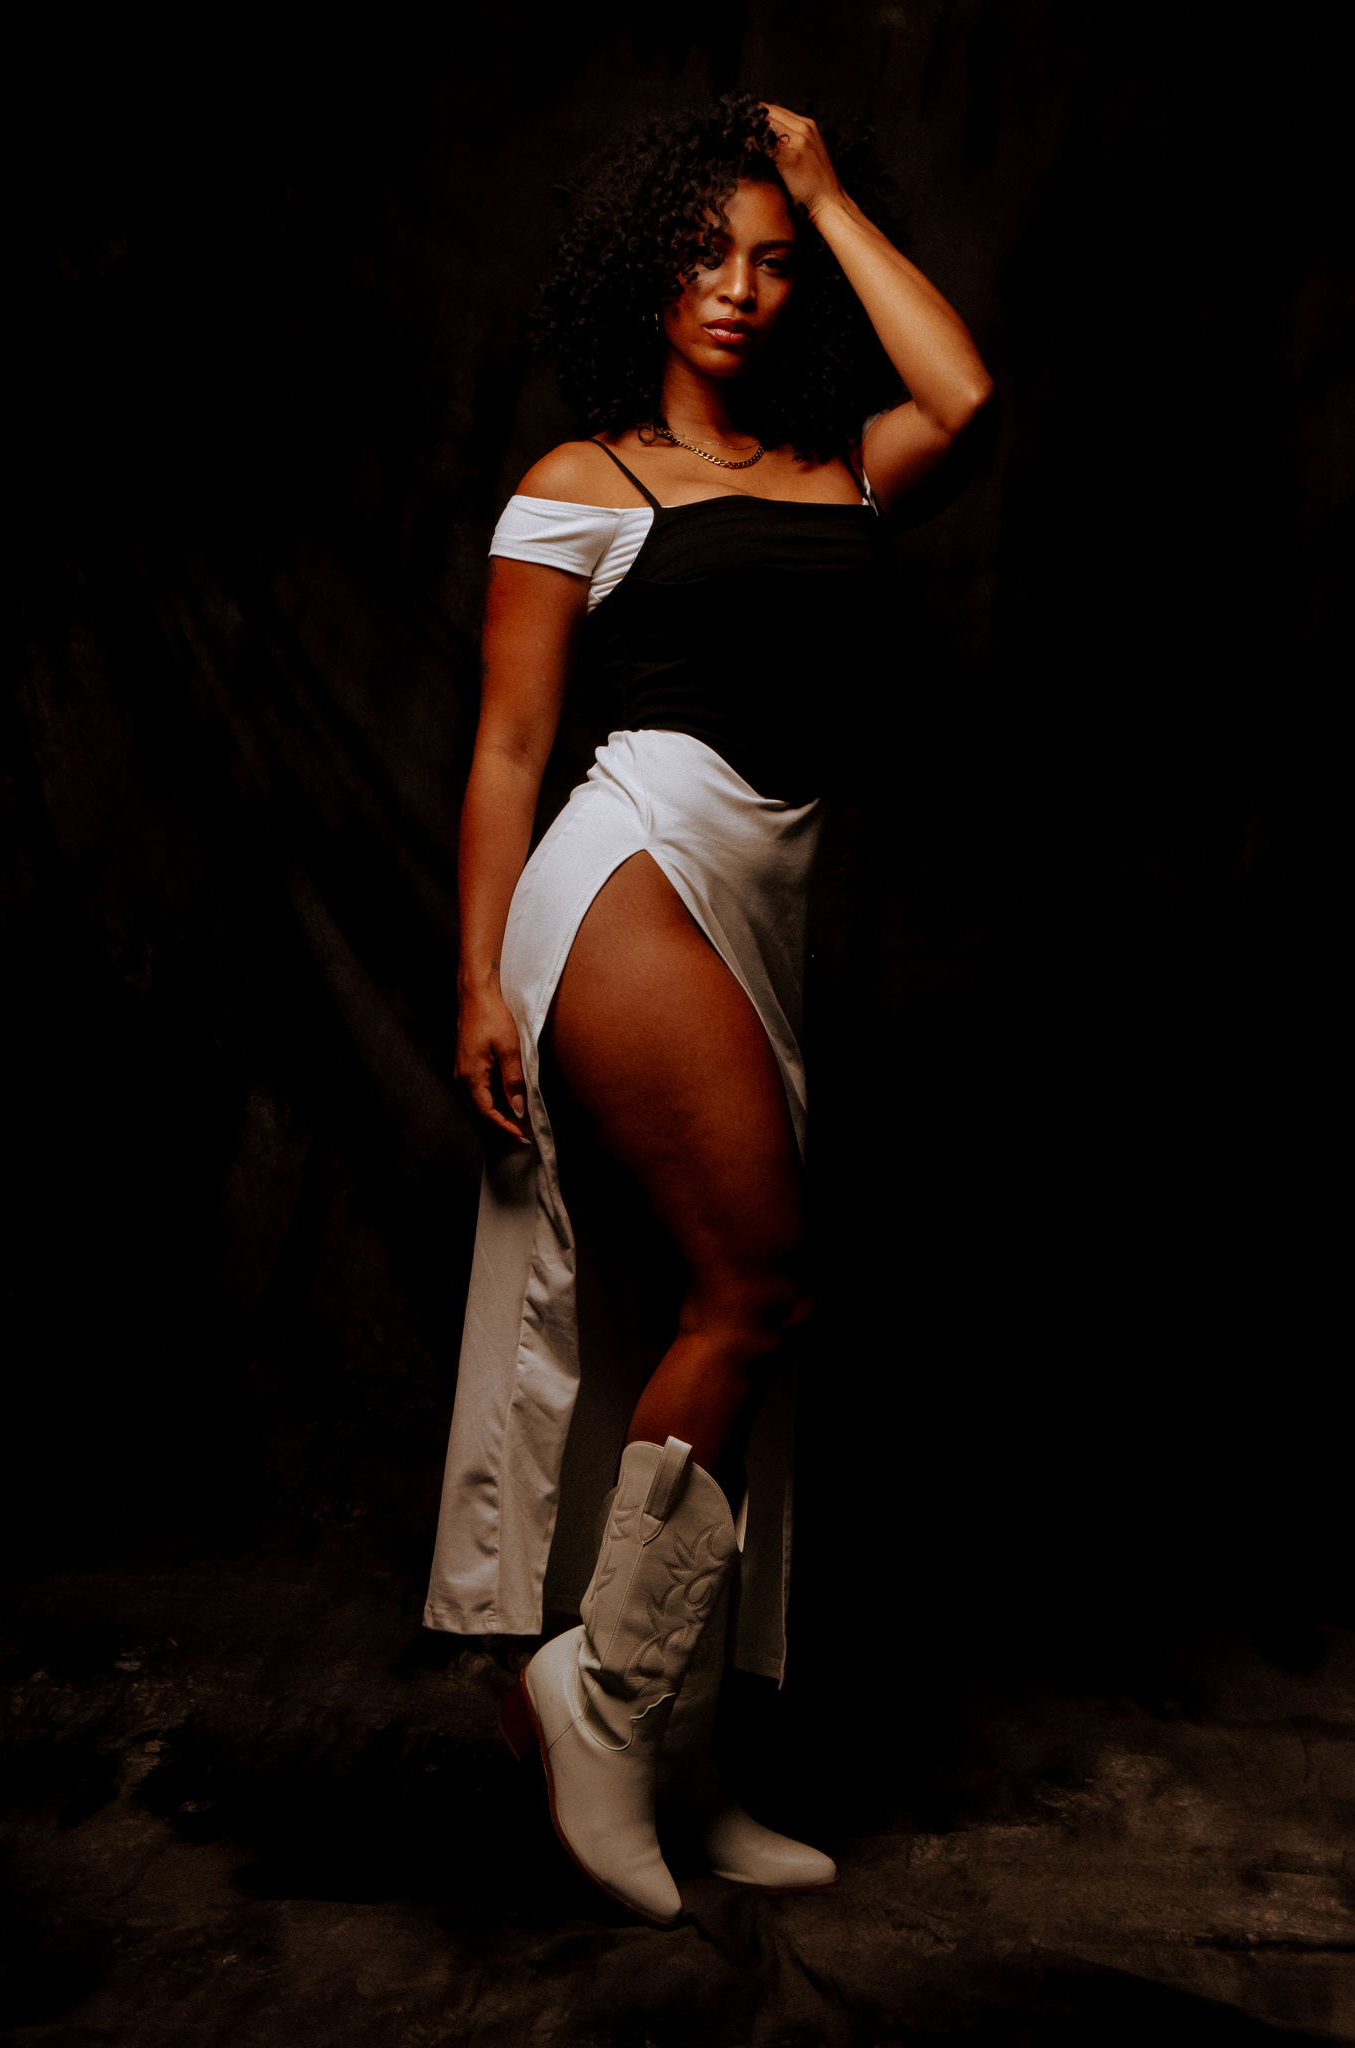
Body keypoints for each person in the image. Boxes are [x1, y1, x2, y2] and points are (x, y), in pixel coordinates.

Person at [424, 93, 991, 1924]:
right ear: (643, 275)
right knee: (757, 1286)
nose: (737, 287)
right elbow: (508, 746)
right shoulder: (583, 482)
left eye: (766, 260)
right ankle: (594, 1699)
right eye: (704, 253)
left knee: (729, 1318)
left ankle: (672, 1742)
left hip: (764, 891)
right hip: (633, 863)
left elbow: (963, 397)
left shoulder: (838, 466)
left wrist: (823, 192)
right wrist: (476, 977)